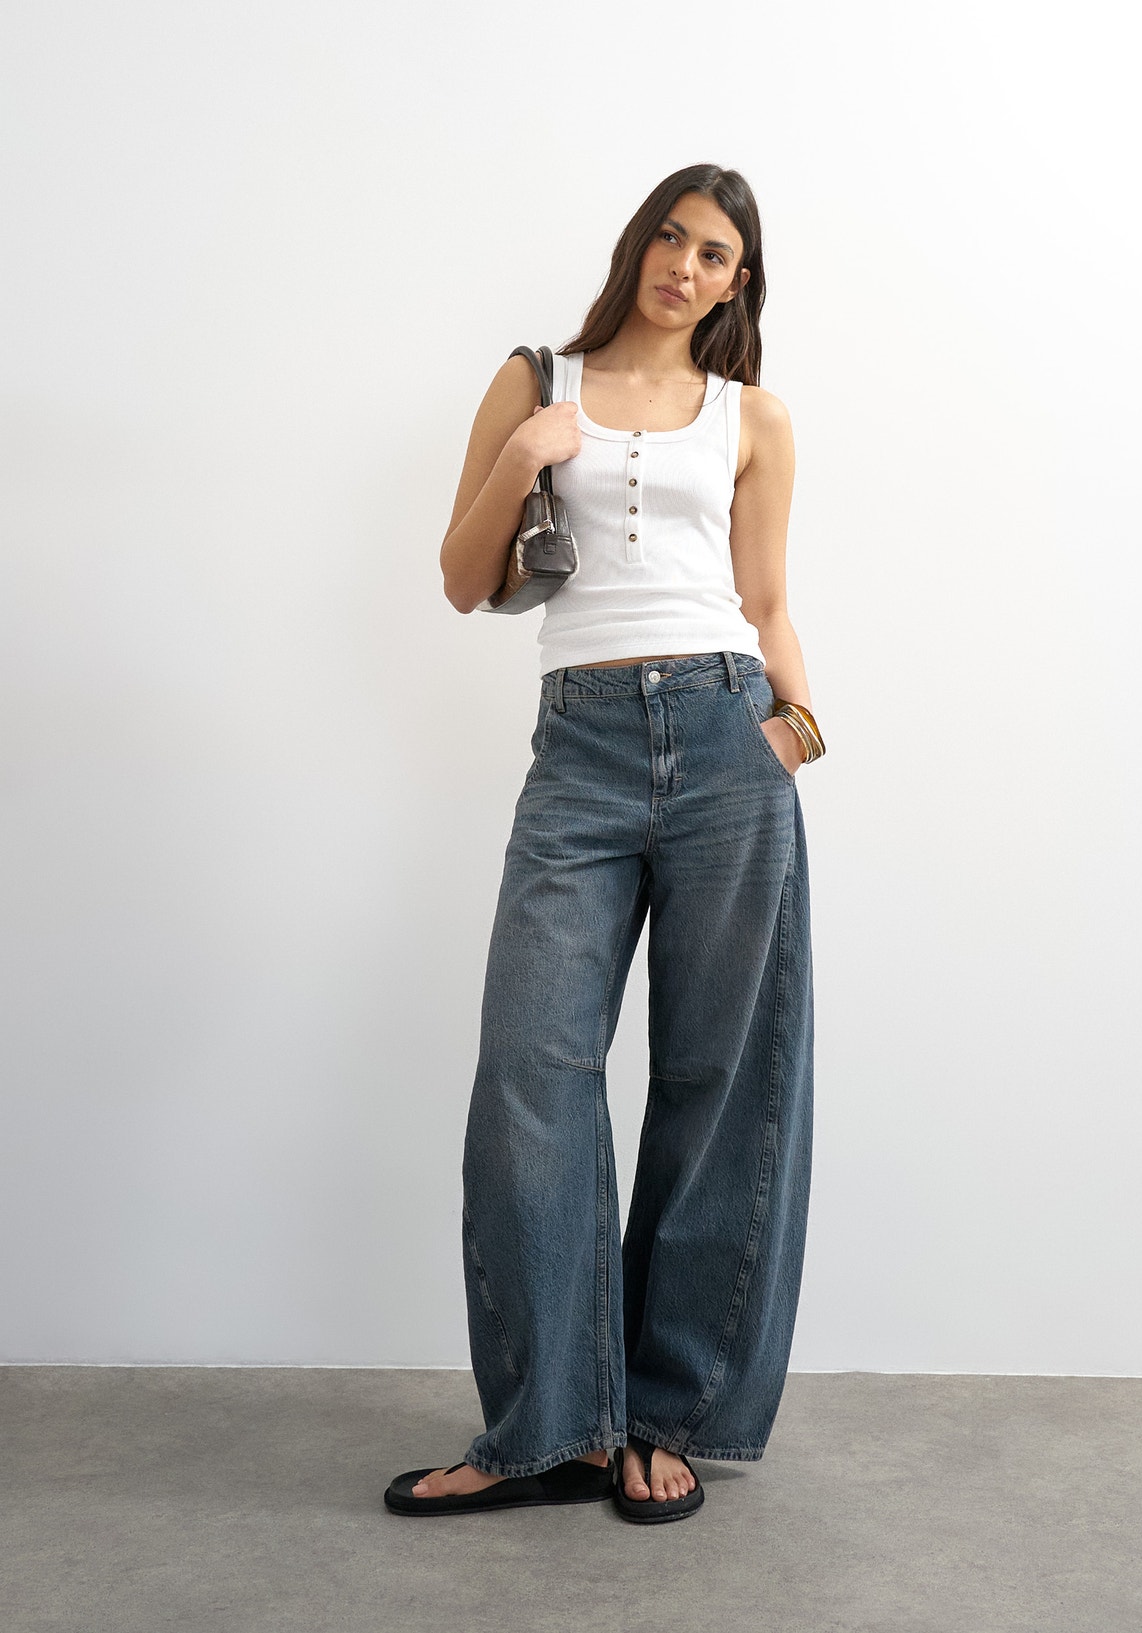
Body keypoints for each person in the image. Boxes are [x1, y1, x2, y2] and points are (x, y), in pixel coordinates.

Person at [384, 163, 824, 1525]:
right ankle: (552, 1424)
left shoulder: (754, 417)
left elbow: (766, 600)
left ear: (738, 283)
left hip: (727, 733)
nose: (685, 267)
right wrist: (528, 455)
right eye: (671, 238)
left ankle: (666, 1416)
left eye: (715, 255)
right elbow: (463, 580)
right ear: (639, 245)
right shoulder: (537, 380)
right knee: (534, 1065)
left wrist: (797, 730)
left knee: (717, 1075)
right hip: (578, 749)